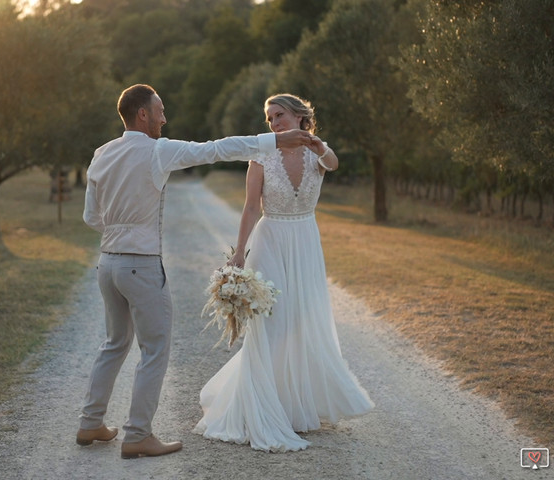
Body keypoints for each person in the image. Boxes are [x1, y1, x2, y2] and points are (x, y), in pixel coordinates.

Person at [77, 84, 315, 459]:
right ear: (143, 114)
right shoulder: (159, 150)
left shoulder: (101, 154)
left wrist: (120, 228)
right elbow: (216, 149)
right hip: (140, 266)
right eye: (160, 111)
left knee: (114, 344)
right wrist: (274, 141)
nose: (164, 118)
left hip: (108, 263)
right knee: (154, 349)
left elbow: (92, 218)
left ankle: (90, 422)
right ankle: (137, 434)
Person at [194, 94, 374, 452]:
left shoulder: (319, 153)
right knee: (273, 323)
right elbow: (249, 208)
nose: (273, 123)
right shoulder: (261, 154)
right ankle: (264, 405)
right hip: (270, 239)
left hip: (305, 242)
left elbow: (334, 164)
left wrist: (317, 144)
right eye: (269, 118)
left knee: (302, 320)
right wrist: (240, 254)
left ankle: (295, 407)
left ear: (298, 115)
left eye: (279, 115)